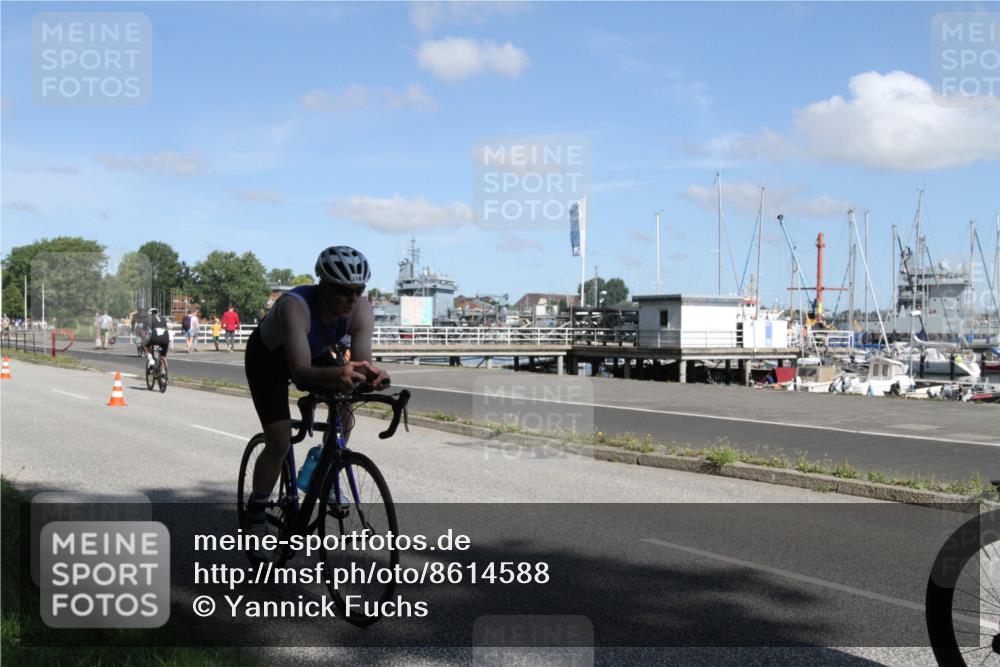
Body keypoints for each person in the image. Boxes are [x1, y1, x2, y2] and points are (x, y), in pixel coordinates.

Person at [244, 246, 390, 538]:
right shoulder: (294, 306)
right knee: (280, 440)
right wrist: (338, 374)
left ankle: (324, 464)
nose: (351, 298)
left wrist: (370, 377)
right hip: (270, 359)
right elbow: (299, 372)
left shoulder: (361, 309)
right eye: (342, 291)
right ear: (323, 285)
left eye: (358, 290)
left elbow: (360, 364)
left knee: (347, 401)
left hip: (313, 353)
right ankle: (257, 509)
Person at [144, 307, 170, 373]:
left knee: (145, 345)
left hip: (155, 336)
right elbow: (166, 328)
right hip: (165, 336)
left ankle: (151, 360)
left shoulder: (148, 319)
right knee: (163, 356)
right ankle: (163, 372)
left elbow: (144, 331)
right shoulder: (163, 318)